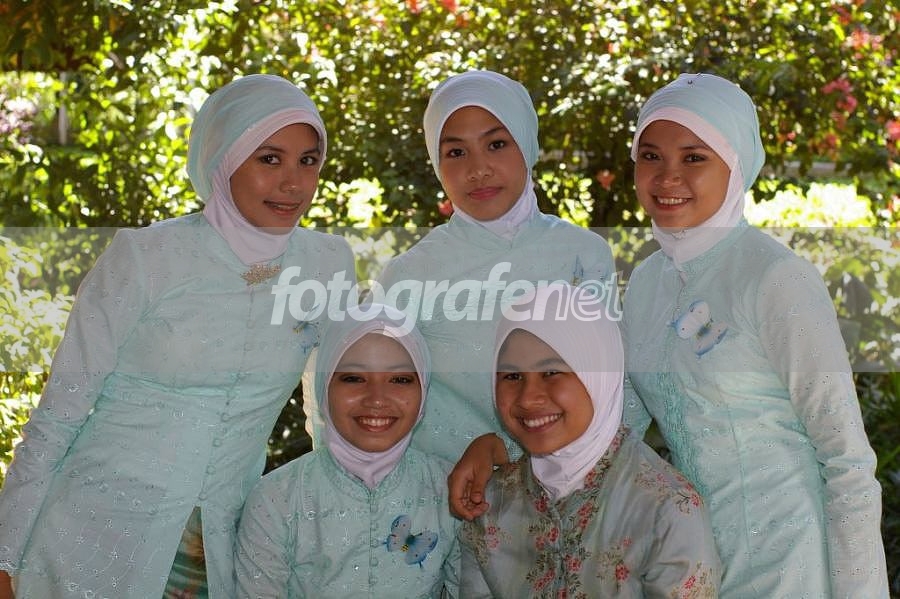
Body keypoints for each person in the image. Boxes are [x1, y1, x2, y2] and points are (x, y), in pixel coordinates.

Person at [450, 73, 889, 598]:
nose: (667, 177)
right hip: (683, 550)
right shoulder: (647, 283)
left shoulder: (775, 278)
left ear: (735, 163)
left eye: (694, 157)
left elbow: (846, 458)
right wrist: (497, 447)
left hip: (788, 559)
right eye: (650, 156)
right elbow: (611, 416)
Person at [0, 74, 355, 598]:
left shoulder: (327, 264)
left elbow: (328, 409)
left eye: (308, 161)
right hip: (89, 534)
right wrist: (5, 554)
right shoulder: (145, 257)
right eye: (269, 159)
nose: (293, 183)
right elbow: (58, 416)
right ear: (224, 159)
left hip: (220, 549)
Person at [306, 69, 617, 466]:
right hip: (443, 491)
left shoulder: (582, 254)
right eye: (456, 152)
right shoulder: (410, 276)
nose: (478, 169)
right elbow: (353, 395)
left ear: (526, 144)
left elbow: (614, 388)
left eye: (497, 144)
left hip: (572, 483)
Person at [459, 282, 720, 598]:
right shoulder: (490, 504)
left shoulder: (666, 510)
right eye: (512, 376)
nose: (528, 398)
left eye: (551, 372)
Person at [235, 305, 459, 598]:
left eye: (400, 379)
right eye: (353, 378)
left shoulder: (450, 489)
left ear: (424, 389)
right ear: (324, 386)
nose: (377, 399)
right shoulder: (278, 499)